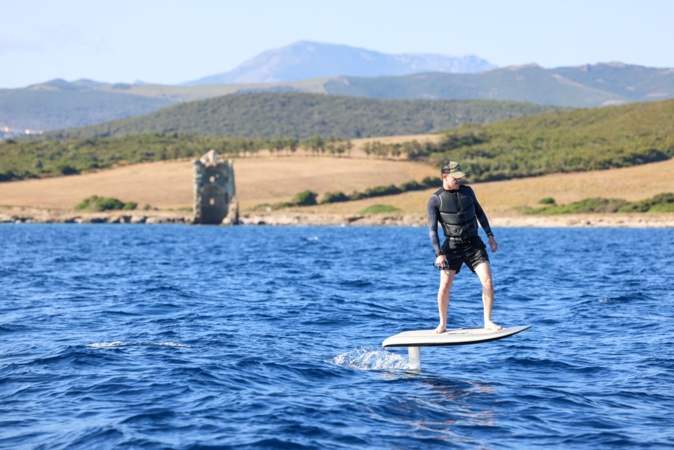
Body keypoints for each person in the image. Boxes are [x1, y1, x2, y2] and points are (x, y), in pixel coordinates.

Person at [427, 161, 502, 333]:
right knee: (445, 286)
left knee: (488, 282)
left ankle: (488, 321)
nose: (459, 180)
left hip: (474, 244)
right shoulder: (435, 200)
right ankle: (442, 323)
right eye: (455, 177)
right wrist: (439, 254)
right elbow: (432, 230)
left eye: (460, 177)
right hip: (451, 247)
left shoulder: (468, 192)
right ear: (444, 177)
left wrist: (490, 235)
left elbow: (480, 213)